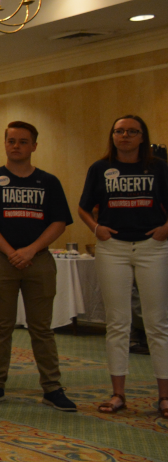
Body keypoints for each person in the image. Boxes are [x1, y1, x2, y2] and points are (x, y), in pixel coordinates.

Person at [0, 120, 76, 412]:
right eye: (11, 141)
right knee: (0, 326)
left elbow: (59, 223)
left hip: (38, 261)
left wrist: (30, 250)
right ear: (5, 144)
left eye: (23, 141)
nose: (16, 146)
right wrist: (10, 251)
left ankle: (52, 388)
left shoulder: (48, 182)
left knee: (42, 328)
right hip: (1, 261)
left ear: (34, 146)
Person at [76, 115, 168, 417]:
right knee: (117, 323)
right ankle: (118, 394)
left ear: (142, 137)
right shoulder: (100, 169)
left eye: (132, 132)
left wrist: (164, 230)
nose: (125, 136)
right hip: (112, 248)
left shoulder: (158, 167)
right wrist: (95, 228)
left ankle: (165, 397)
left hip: (152, 247)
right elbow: (83, 207)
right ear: (112, 136)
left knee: (157, 323)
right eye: (119, 131)